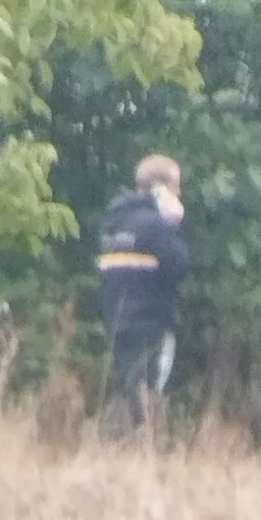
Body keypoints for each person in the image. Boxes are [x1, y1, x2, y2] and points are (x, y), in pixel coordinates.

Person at [96, 153, 191, 440]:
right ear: (162, 188)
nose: (179, 193)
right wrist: (171, 225)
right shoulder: (156, 225)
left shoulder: (112, 223)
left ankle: (118, 448)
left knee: (127, 390)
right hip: (152, 325)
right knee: (149, 392)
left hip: (117, 323)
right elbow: (179, 265)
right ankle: (144, 451)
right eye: (176, 186)